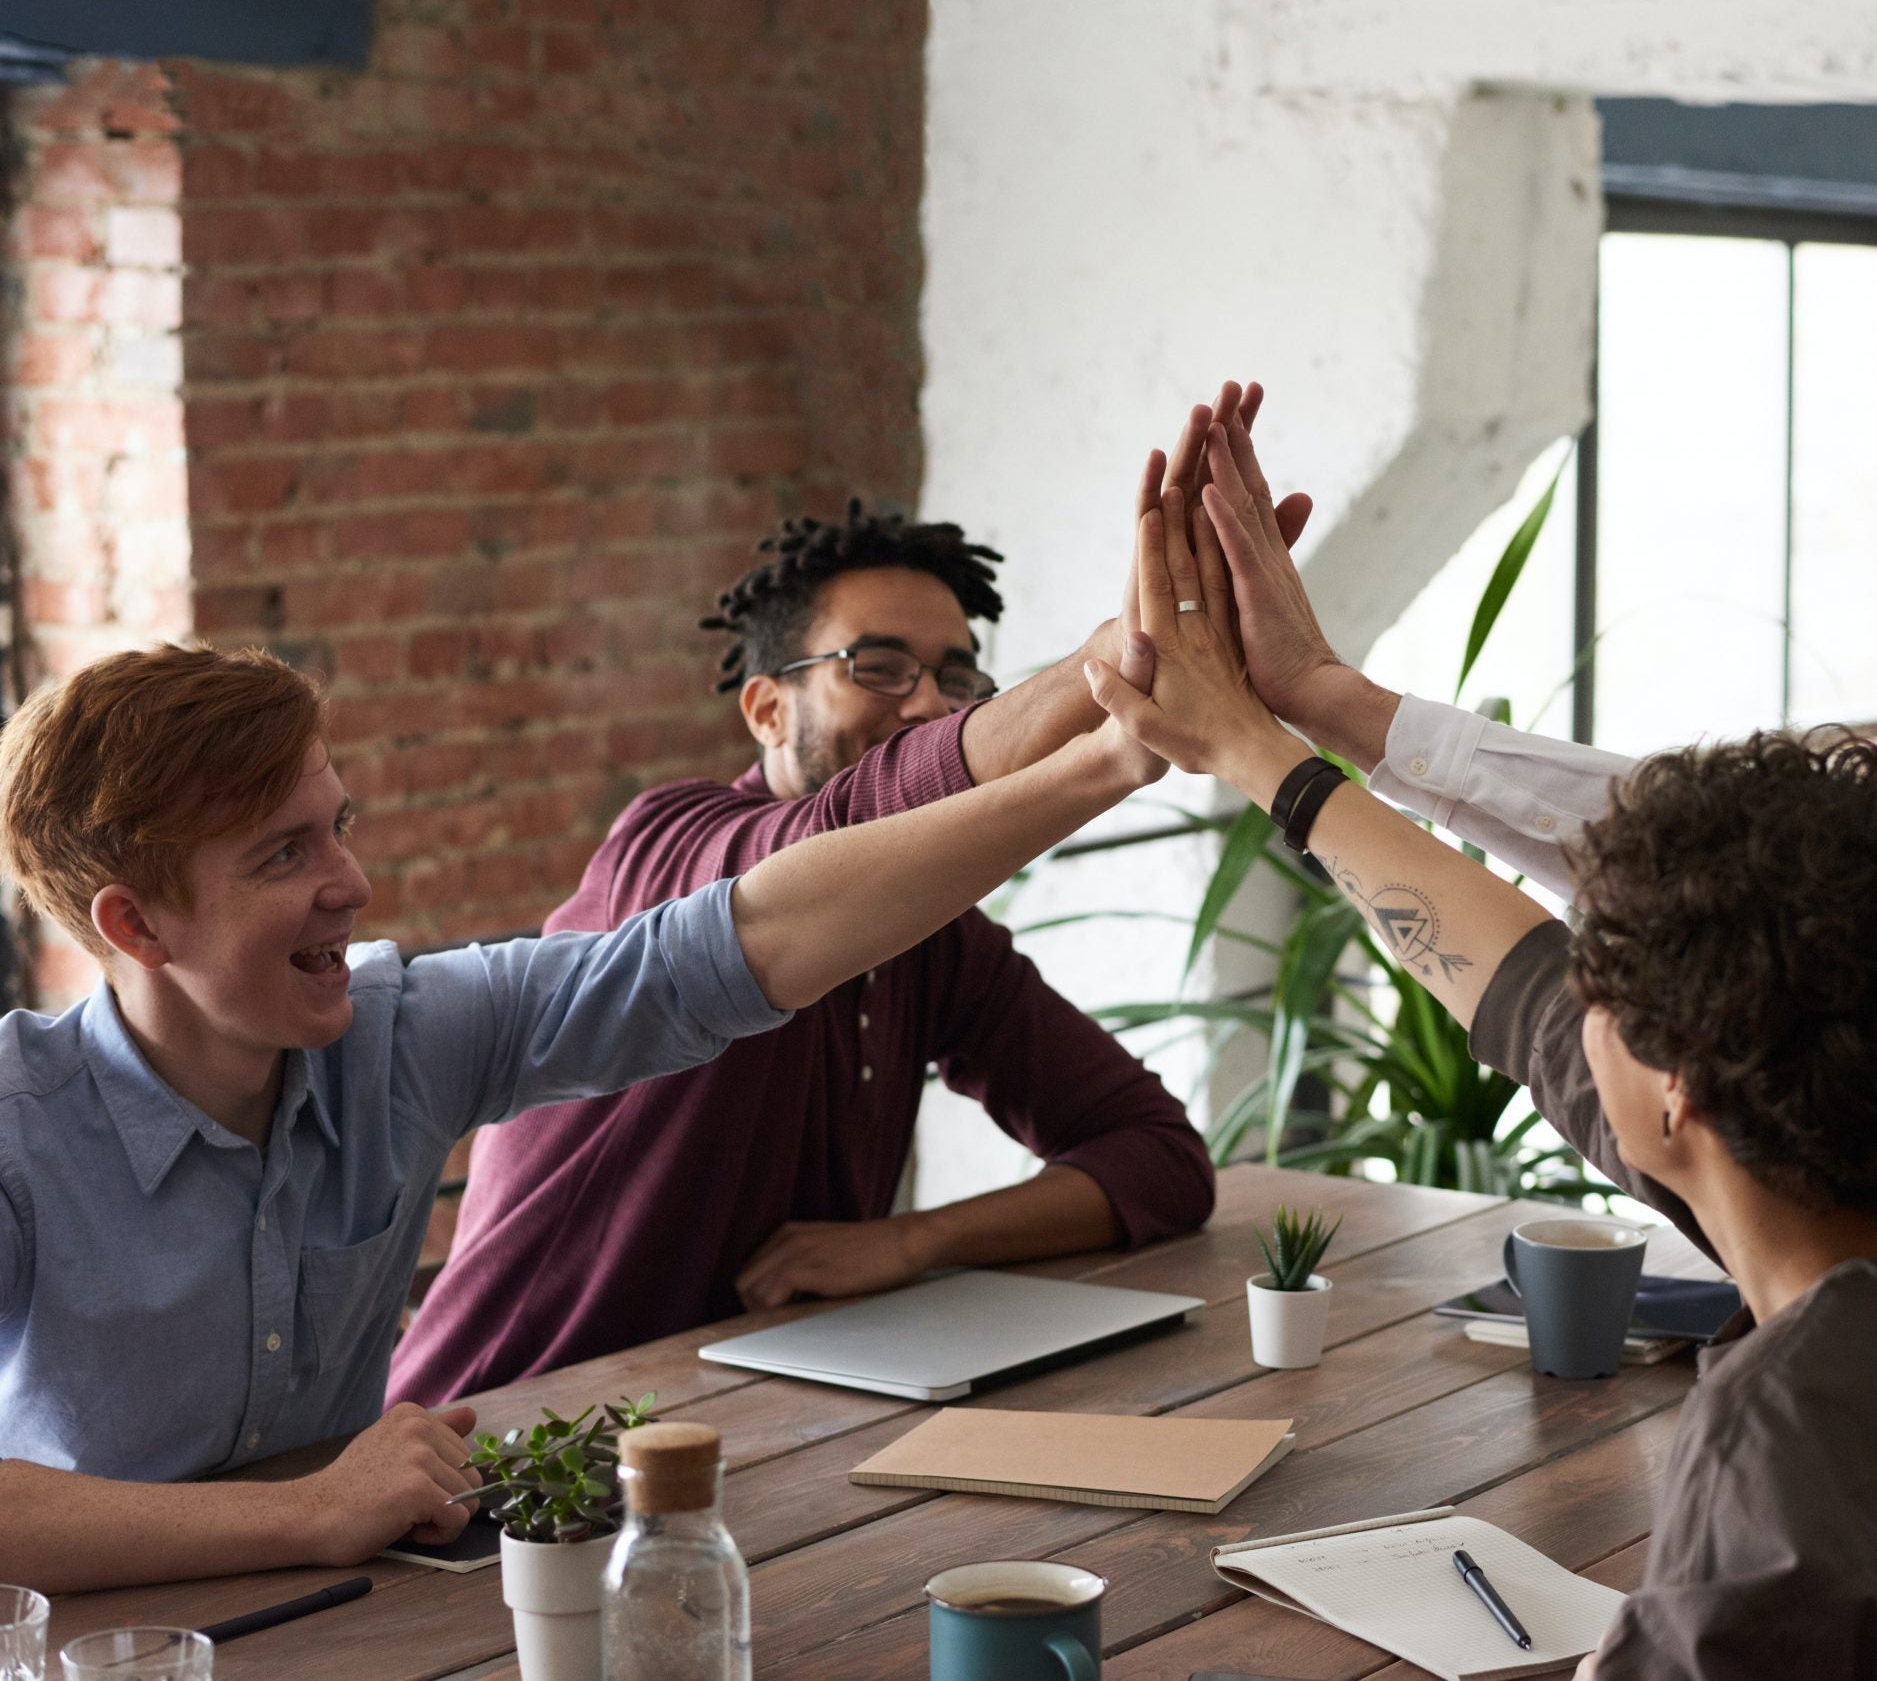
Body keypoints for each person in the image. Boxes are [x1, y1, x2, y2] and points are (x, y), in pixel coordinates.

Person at [1183, 400, 1877, 1679]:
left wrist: (1302, 730)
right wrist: (1287, 741)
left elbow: (1728, 904)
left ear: (1682, 1090)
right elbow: (1554, 995)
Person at [0, 635, 1164, 1593]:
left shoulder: (398, 1033)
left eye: (340, 824)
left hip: (364, 1623)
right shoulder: (19, 1123)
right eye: (283, 853)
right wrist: (309, 1511)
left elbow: (735, 944)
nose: (351, 883)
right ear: (138, 927)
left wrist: (1105, 761)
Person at [390, 387, 1307, 1403]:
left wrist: (915, 1240)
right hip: (503, 1448)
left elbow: (1160, 1159)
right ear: (766, 708)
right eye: (877, 666)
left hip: (760, 1433)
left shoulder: (933, 939)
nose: (924, 701)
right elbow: (846, 829)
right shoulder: (669, 847)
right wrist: (1111, 669)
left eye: (957, 678)